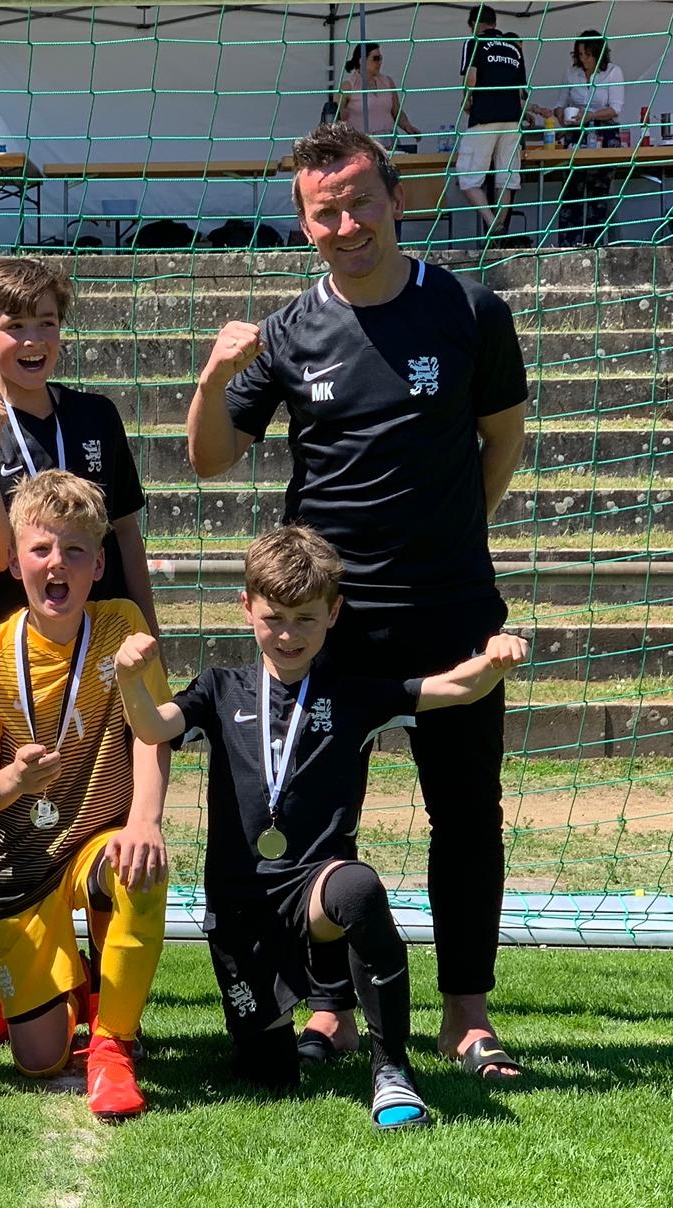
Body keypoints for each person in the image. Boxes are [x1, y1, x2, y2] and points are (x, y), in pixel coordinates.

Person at [187, 122, 529, 1082]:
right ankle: (330, 1006)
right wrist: (214, 376)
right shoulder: (290, 331)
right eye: (324, 212)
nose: (346, 226)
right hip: (326, 624)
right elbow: (210, 458)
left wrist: (451, 536)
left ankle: (467, 1017)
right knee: (317, 819)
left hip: (451, 607)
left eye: (360, 203)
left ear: (396, 201)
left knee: (468, 812)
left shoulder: (470, 310)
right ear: (304, 224)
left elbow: (502, 439)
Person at [120, 524, 529, 1129]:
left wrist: (493, 661)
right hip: (241, 908)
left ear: (334, 614)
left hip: (314, 888)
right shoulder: (219, 688)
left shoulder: (353, 692)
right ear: (247, 607)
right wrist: (131, 680)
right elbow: (153, 728)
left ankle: (392, 1071)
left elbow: (451, 689)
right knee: (269, 1074)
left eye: (306, 619)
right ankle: (282, 1030)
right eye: (275, 618)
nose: (289, 635)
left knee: (358, 889)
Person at [0, 255, 161, 1054]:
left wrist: (149, 628)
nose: (33, 339)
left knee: (108, 808)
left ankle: (105, 998)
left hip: (101, 640)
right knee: (14, 817)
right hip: (16, 646)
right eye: (15, 326)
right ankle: (1, 995)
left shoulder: (95, 415)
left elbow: (125, 530)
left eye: (47, 323)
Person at [0, 470, 169, 1122]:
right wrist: (15, 781)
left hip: (99, 842)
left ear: (98, 565)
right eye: (42, 548)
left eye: (75, 550)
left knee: (140, 865)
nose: (58, 564)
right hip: (24, 861)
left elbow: (154, 733)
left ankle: (113, 1044)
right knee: (39, 1059)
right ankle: (73, 985)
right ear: (14, 560)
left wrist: (146, 820)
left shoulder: (122, 626)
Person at [532, 31, 627, 246]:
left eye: (588, 54)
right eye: (580, 54)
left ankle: (594, 246)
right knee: (572, 190)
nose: (583, 59)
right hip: (576, 133)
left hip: (604, 133)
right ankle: (568, 246)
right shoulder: (571, 73)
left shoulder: (613, 72)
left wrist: (590, 115)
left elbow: (616, 108)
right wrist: (560, 115)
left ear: (598, 54)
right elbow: (560, 103)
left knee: (598, 192)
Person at [457, 5, 535, 241]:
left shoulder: (475, 42)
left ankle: (492, 223)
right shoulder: (514, 48)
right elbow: (521, 92)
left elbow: (471, 78)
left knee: (467, 178)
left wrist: (466, 101)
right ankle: (501, 227)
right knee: (507, 178)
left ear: (474, 24)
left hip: (485, 118)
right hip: (512, 120)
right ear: (495, 22)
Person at [336, 43, 422, 149]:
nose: (380, 62)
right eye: (375, 59)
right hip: (361, 142)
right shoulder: (348, 86)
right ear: (362, 61)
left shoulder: (387, 82)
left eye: (380, 58)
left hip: (389, 140)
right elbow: (337, 115)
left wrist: (407, 126)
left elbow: (396, 111)